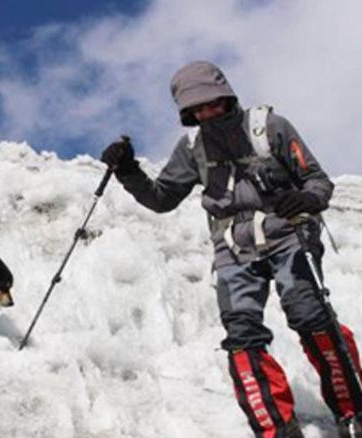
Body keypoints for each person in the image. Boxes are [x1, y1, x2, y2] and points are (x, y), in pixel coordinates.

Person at [101, 60, 362, 438]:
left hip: (289, 232)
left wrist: (306, 199)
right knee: (241, 335)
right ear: (187, 112)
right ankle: (277, 429)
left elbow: (317, 180)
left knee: (308, 314)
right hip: (232, 249)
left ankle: (351, 411)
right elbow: (161, 199)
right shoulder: (192, 147)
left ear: (227, 96)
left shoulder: (270, 127)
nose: (206, 112)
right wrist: (128, 171)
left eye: (212, 103)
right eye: (196, 107)